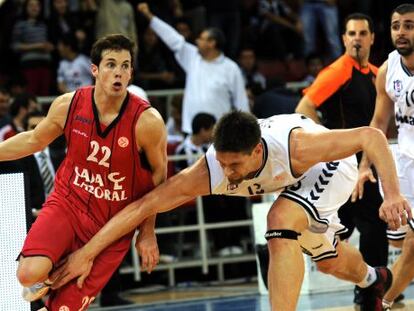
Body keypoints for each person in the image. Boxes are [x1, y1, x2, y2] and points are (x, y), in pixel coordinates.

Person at [50, 110, 410, 311]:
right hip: (292, 187)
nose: (229, 174)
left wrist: (391, 194)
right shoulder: (212, 169)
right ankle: (372, 281)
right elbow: (144, 204)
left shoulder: (296, 146)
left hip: (331, 168)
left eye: (235, 165)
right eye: (224, 164)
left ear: (256, 152)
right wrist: (87, 252)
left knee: (279, 221)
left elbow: (371, 137)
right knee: (328, 261)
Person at [2, 34, 167, 310]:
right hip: (68, 203)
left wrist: (147, 231)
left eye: (125, 66)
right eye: (111, 65)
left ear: (131, 73)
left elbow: (159, 179)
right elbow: (33, 140)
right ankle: (50, 280)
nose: (118, 73)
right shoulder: (69, 104)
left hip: (111, 225)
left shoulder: (148, 122)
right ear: (95, 70)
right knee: (27, 274)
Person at [295, 13, 389, 306]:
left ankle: (285, 246)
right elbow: (305, 106)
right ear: (344, 39)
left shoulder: (376, 73)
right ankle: (370, 291)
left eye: (362, 33)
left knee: (341, 226)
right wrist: (325, 145)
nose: (357, 38)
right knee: (372, 225)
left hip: (368, 161)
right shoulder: (339, 70)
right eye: (351, 34)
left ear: (372, 38)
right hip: (345, 163)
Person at [351, 4, 414, 310]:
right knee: (403, 246)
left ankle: (380, 302)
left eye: (409, 26)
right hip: (404, 167)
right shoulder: (389, 70)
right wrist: (365, 166)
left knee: (412, 249)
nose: (401, 32)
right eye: (396, 26)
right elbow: (377, 125)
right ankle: (380, 298)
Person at [137, 2, 249, 134]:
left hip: (219, 135)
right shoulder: (192, 57)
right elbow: (171, 37)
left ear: (212, 43)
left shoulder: (231, 68)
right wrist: (149, 15)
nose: (197, 41)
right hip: (191, 132)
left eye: (202, 39)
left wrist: (247, 133)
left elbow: (241, 103)